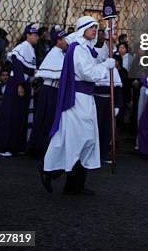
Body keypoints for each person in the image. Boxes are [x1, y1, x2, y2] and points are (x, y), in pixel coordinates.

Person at [40, 16, 116, 195]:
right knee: (78, 138)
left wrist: (105, 61)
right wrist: (106, 66)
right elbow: (88, 73)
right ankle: (51, 171)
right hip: (77, 99)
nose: (95, 31)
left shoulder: (86, 49)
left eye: (96, 28)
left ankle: (73, 184)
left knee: (85, 139)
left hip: (86, 98)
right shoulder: (78, 49)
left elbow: (95, 63)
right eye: (92, 28)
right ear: (82, 29)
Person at [0, 24, 38, 157]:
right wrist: (20, 84)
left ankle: (16, 145)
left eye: (37, 35)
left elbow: (29, 69)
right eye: (34, 35)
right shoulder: (22, 47)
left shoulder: (30, 48)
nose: (36, 37)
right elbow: (17, 66)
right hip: (17, 84)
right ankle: (5, 146)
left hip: (24, 83)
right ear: (27, 35)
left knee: (20, 116)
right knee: (11, 115)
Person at [28, 25, 68, 157]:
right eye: (63, 39)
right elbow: (55, 74)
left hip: (53, 90)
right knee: (45, 118)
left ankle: (41, 146)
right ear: (58, 41)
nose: (65, 41)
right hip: (49, 90)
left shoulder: (60, 53)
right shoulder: (55, 53)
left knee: (48, 118)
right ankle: (38, 147)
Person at [93, 37, 123, 164]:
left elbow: (118, 89)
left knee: (107, 128)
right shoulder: (95, 66)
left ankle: (104, 152)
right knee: (94, 127)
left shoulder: (113, 69)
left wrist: (117, 105)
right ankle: (93, 152)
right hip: (95, 100)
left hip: (108, 102)